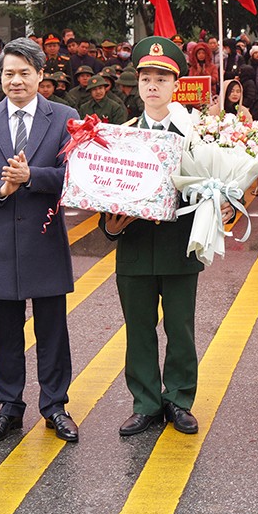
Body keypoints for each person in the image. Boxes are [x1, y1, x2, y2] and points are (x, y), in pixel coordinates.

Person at [0, 36, 80, 445]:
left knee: (52, 331)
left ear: (41, 75)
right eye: (8, 73)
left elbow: (76, 175)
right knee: (4, 332)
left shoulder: (64, 118)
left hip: (45, 240)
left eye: (24, 73)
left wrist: (33, 178)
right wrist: (1, 190)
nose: (15, 81)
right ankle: (8, 405)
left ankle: (55, 405)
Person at [110, 37, 203, 438]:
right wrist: (112, 224)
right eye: (145, 78)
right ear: (137, 84)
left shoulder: (196, 134)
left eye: (161, 78)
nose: (152, 85)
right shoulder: (122, 135)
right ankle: (145, 403)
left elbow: (212, 186)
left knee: (180, 328)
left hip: (180, 245)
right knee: (139, 328)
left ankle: (179, 400)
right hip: (134, 246)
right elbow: (107, 191)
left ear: (175, 84)